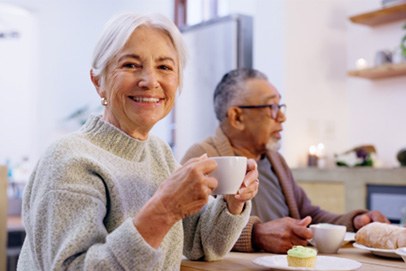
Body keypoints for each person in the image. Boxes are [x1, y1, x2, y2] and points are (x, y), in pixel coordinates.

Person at [17, 14, 259, 270]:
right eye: (131, 65)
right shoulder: (69, 160)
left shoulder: (159, 153)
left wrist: (233, 203)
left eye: (165, 67)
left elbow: (202, 243)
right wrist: (164, 210)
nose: (150, 81)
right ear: (98, 82)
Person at [181, 68, 389, 253]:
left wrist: (354, 222)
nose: (282, 117)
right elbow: (192, 232)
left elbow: (308, 215)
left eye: (280, 106)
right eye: (271, 107)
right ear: (236, 117)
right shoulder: (203, 156)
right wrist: (257, 234)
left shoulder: (275, 160)